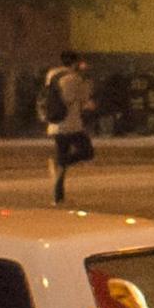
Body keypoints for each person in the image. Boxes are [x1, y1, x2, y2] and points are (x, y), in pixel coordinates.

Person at [44, 53, 98, 204]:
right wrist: (86, 81)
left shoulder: (51, 75)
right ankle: (60, 162)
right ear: (74, 63)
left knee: (63, 158)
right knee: (87, 152)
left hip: (54, 125)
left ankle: (58, 197)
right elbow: (83, 99)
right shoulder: (74, 79)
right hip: (71, 124)